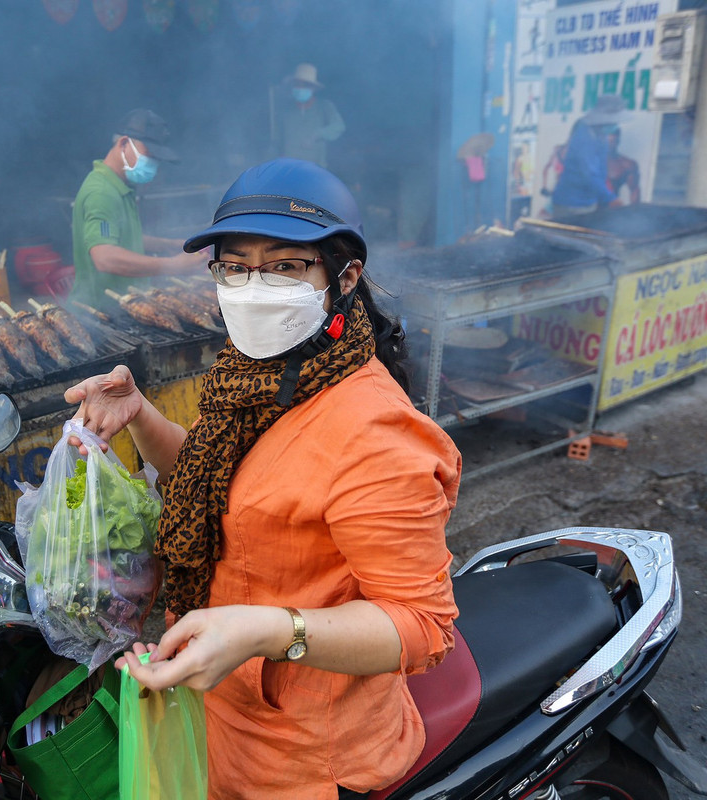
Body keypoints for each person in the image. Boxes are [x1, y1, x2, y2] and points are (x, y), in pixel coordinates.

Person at [64, 159, 460, 798]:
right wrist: (140, 415)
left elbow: (421, 624)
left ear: (344, 275)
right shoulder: (256, 374)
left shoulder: (373, 432)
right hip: (223, 717)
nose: (254, 286)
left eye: (285, 265)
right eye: (235, 266)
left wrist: (266, 629)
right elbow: (229, 480)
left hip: (304, 758)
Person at [69, 109, 208, 309]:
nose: (153, 164)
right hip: (100, 312)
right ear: (124, 144)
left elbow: (120, 236)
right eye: (149, 155)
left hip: (127, 305)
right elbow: (104, 256)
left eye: (156, 159)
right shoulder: (101, 193)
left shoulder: (119, 186)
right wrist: (172, 265)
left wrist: (170, 245)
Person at [550, 96, 626, 217]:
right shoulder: (584, 134)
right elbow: (589, 173)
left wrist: (605, 196)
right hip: (571, 204)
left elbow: (601, 170)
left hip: (588, 201)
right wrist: (610, 198)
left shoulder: (601, 136)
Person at [277, 63, 345, 168]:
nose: (300, 88)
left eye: (304, 85)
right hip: (289, 169)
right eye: (297, 84)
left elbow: (339, 126)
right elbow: (277, 141)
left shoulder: (324, 106)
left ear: (313, 88)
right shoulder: (287, 111)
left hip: (316, 170)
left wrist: (318, 134)